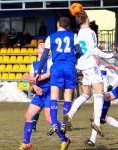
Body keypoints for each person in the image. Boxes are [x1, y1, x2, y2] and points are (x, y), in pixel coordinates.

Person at [31, 17, 82, 150]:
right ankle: (64, 123)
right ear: (68, 26)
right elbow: (80, 52)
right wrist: (72, 60)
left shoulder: (50, 37)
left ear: (58, 25)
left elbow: (43, 57)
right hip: (69, 66)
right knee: (68, 95)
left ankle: (54, 123)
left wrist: (38, 72)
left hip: (57, 66)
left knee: (54, 95)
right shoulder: (73, 35)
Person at [64, 10, 114, 137]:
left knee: (86, 94)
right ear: (86, 19)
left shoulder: (79, 33)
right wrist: (109, 55)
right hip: (91, 66)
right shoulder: (90, 32)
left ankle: (69, 114)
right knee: (99, 93)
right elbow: (93, 50)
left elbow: (79, 50)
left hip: (82, 67)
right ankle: (96, 122)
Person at [19, 43, 68, 150]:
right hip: (39, 93)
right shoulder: (34, 63)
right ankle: (26, 143)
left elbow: (49, 74)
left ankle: (65, 140)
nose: (42, 46)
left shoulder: (50, 59)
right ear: (37, 50)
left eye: (44, 45)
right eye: (40, 45)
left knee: (50, 118)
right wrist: (35, 87)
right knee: (28, 115)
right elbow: (31, 77)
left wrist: (35, 79)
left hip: (50, 91)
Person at [84, 57, 118, 146]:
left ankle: (92, 140)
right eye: (95, 58)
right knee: (100, 118)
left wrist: (111, 86)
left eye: (98, 58)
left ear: (100, 59)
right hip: (98, 97)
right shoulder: (91, 69)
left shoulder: (104, 68)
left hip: (104, 96)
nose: (96, 60)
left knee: (96, 117)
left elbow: (116, 78)